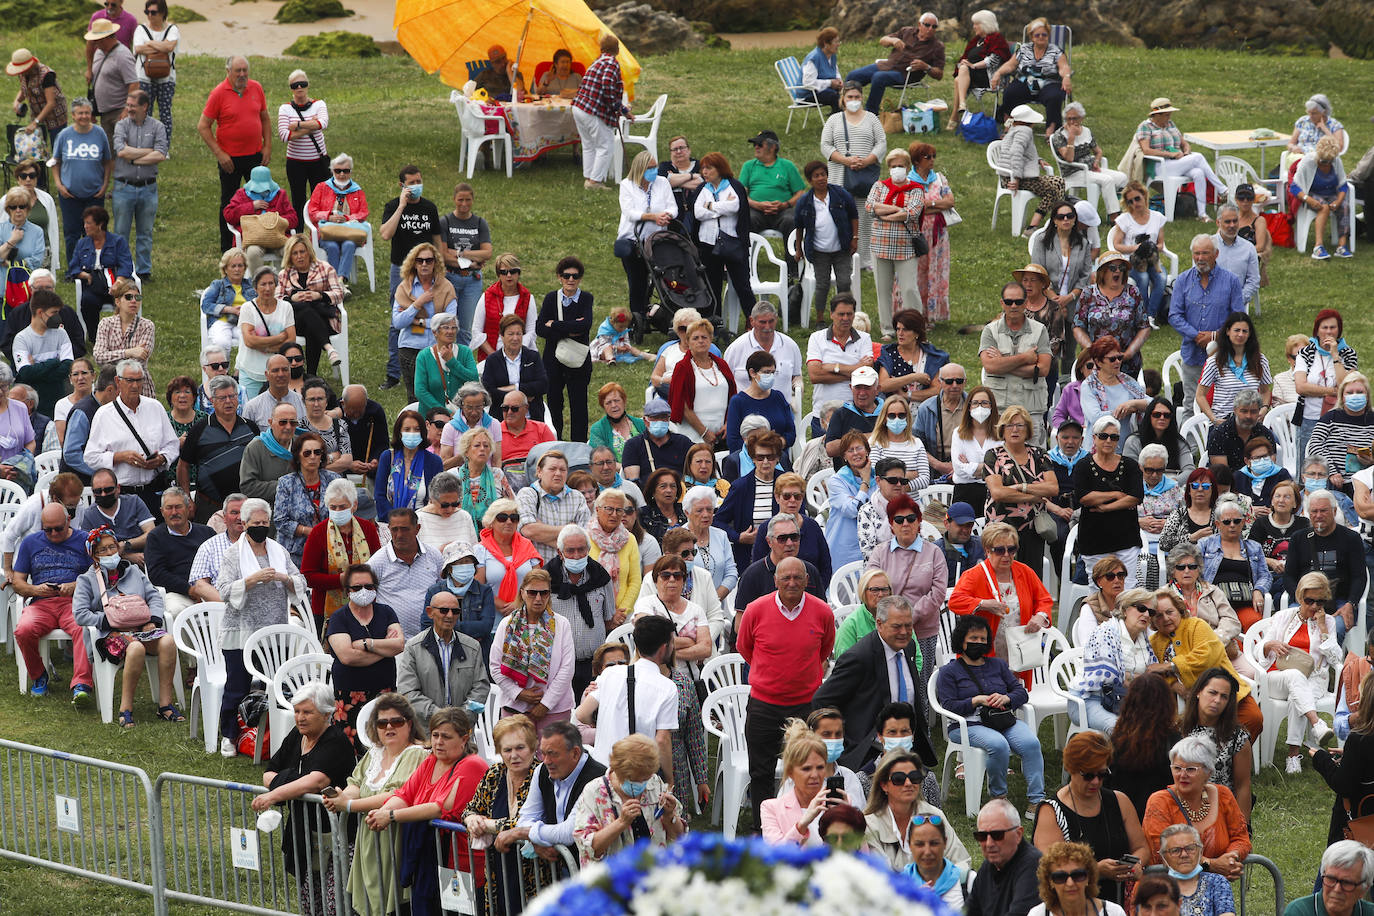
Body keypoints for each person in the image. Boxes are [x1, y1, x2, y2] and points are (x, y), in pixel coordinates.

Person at [737, 556, 834, 823]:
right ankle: (763, 829)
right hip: (764, 705)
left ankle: (809, 824)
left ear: (807, 580)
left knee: (809, 768)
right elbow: (745, 648)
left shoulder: (822, 612)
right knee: (761, 773)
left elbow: (824, 650)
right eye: (786, 578)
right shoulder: (755, 610)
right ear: (775, 580)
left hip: (806, 704)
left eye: (797, 577)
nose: (792, 582)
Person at [366, 707, 489, 914]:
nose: (439, 742)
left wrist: (390, 816)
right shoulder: (431, 760)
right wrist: (381, 813)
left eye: (446, 737)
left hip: (459, 864)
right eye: (435, 735)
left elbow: (440, 808)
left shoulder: (472, 765)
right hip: (429, 860)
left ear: (464, 738)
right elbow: (405, 794)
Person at [249, 679, 355, 916]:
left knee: (336, 902)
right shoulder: (297, 736)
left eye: (308, 712)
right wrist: (293, 781)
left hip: (336, 835)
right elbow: (268, 773)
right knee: (309, 899)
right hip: (304, 832)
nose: (300, 718)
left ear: (327, 713)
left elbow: (317, 781)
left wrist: (275, 794)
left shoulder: (335, 741)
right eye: (297, 711)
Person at [320, 694, 427, 916]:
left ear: (409, 723)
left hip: (397, 836)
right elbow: (356, 783)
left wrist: (348, 805)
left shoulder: (416, 754)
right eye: (381, 723)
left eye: (396, 722)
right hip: (368, 835)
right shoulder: (375, 753)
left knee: (395, 904)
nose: (389, 727)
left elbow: (396, 793)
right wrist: (341, 796)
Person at [215, 497, 306, 754]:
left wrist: (283, 577)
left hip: (274, 631)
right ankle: (229, 735)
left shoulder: (278, 550)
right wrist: (251, 579)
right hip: (241, 630)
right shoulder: (233, 554)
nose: (261, 526)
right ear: (244, 524)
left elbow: (299, 581)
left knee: (275, 685)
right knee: (237, 686)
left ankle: (273, 736)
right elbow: (222, 590)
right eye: (256, 523)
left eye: (265, 522)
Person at [814, 594, 939, 773]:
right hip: (869, 752)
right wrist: (841, 738)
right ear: (879, 624)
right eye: (897, 626)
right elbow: (822, 700)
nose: (904, 632)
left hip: (905, 744)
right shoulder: (859, 657)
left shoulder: (908, 646)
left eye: (908, 626)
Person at [937, 614, 1045, 816]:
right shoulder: (949, 672)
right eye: (973, 639)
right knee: (998, 745)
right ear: (962, 640)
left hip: (1001, 719)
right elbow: (949, 706)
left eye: (983, 639)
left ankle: (1036, 801)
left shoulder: (998, 665)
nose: (979, 643)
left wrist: (1006, 699)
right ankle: (998, 798)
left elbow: (1021, 692)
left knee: (1031, 743)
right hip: (966, 725)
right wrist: (976, 700)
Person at [72, 524, 178, 727]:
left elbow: (154, 596)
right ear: (94, 556)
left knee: (168, 642)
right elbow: (80, 614)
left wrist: (153, 621)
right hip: (109, 634)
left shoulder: (134, 572)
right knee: (135, 648)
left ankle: (165, 704)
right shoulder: (86, 580)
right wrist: (108, 621)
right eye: (102, 550)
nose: (109, 552)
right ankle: (125, 709)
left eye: (112, 547)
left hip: (141, 629)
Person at [1032, 732, 1148, 905]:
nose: (1095, 782)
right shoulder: (1051, 811)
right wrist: (1095, 870)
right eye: (1088, 775)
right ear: (1071, 769)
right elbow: (1051, 866)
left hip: (1121, 900)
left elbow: (1141, 847)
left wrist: (1135, 864)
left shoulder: (1119, 801)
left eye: (1102, 775)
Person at [462, 714, 548, 915]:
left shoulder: (543, 775)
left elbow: (527, 823)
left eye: (520, 748)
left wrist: (488, 825)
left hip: (534, 874)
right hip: (498, 872)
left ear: (534, 746)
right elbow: (470, 808)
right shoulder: (495, 773)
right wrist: (472, 819)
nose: (513, 755)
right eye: (507, 750)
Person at [1146, 592, 1261, 740]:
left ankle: (1227, 756)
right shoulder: (1154, 641)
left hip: (1223, 688)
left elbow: (1206, 656)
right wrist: (1174, 685)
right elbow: (1154, 671)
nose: (1166, 618)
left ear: (1180, 610)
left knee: (1253, 718)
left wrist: (1171, 666)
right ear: (1153, 621)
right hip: (1184, 701)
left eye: (1169, 612)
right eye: (1158, 616)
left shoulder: (1196, 625)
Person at [13, 502, 93, 703]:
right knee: (23, 630)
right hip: (41, 602)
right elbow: (18, 582)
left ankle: (81, 683)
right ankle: (39, 676)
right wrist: (36, 590)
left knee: (82, 626)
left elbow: (98, 575)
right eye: (48, 530)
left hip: (73, 601)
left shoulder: (84, 540)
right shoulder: (30, 542)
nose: (54, 534)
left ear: (68, 520)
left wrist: (75, 585)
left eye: (58, 528)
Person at [1141, 734, 1250, 879]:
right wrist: (1211, 864)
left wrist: (1231, 858)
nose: (1182, 775)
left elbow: (1241, 839)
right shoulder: (1159, 801)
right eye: (1177, 768)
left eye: (1191, 769)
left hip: (1211, 891)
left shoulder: (1223, 795)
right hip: (1166, 890)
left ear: (1208, 772)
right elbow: (1163, 852)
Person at [571, 733, 685, 865]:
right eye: (636, 780)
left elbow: (679, 837)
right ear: (618, 771)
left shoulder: (653, 782)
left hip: (654, 873)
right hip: (613, 879)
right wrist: (621, 823)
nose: (642, 785)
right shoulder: (594, 792)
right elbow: (588, 849)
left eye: (645, 779)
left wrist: (670, 815)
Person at [400, 562, 494, 717]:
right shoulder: (413, 647)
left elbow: (481, 688)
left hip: (461, 728)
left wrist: (461, 716)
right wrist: (437, 715)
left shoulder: (472, 647)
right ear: (430, 613)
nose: (450, 616)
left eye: (455, 611)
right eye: (444, 610)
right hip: (426, 729)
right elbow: (408, 691)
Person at [378, 166, 442, 389]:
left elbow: (437, 240)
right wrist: (402, 206)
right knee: (399, 320)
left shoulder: (429, 208)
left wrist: (440, 268)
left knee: (429, 315)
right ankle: (394, 373)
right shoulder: (393, 206)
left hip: (427, 269)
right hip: (401, 271)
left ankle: (428, 367)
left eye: (419, 181)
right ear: (402, 185)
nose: (416, 186)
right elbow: (385, 234)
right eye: (411, 182)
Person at [490, 569, 575, 729]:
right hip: (515, 707)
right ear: (522, 593)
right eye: (532, 593)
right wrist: (519, 694)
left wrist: (545, 704)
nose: (538, 598)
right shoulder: (507, 624)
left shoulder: (562, 624)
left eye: (543, 593)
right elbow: (495, 667)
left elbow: (567, 669)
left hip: (555, 709)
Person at [1286, 489, 1367, 640]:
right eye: (1314, 511)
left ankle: (1330, 663)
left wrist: (1351, 603)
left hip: (1339, 601)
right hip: (1304, 600)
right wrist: (1302, 600)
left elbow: (1359, 577)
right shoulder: (1298, 538)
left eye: (1323, 511)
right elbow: (1289, 576)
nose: (1318, 516)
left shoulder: (1351, 538)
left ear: (1335, 511)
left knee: (1336, 628)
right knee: (1290, 628)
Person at [819, 83, 883, 269]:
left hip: (865, 177)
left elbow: (881, 143)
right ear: (843, 99)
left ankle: (866, 259)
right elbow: (825, 146)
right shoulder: (834, 120)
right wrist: (846, 160)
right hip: (840, 176)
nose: (854, 101)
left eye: (857, 97)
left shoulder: (872, 119)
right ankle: (842, 259)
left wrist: (867, 160)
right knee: (841, 216)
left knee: (865, 217)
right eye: (850, 97)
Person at [1072, 590, 1156, 731]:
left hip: (1128, 699)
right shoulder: (1106, 633)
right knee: (1121, 729)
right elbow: (1110, 678)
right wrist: (1143, 679)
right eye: (1141, 608)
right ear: (1124, 610)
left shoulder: (1144, 638)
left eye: (1151, 612)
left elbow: (1152, 673)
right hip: (1091, 700)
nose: (1146, 614)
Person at [761, 719, 853, 846]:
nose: (815, 775)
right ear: (790, 773)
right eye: (806, 769)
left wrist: (850, 820)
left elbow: (862, 854)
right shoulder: (771, 808)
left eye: (820, 767)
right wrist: (803, 824)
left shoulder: (841, 801)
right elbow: (776, 856)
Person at [532, 257, 593, 442]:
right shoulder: (552, 298)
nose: (571, 279)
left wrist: (556, 325)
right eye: (566, 276)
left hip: (579, 361)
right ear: (560, 277)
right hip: (553, 360)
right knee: (554, 404)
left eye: (575, 276)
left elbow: (585, 326)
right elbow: (540, 328)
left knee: (579, 405)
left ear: (580, 278)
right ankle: (555, 442)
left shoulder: (586, 298)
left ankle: (579, 445)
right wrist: (570, 327)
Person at [866, 149, 924, 339]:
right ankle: (887, 329)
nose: (897, 169)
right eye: (893, 166)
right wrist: (897, 210)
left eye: (900, 166)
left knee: (909, 289)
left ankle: (914, 327)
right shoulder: (879, 186)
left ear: (907, 167)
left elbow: (912, 213)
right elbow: (870, 206)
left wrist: (884, 213)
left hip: (906, 247)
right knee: (883, 290)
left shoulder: (916, 189)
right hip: (880, 246)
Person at [794, 158, 858, 324]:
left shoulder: (841, 194)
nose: (821, 178)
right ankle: (821, 320)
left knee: (844, 281)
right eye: (816, 176)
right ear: (810, 180)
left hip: (842, 249)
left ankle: (846, 317)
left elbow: (854, 216)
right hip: (819, 251)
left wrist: (855, 238)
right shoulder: (804, 202)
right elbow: (799, 227)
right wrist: (798, 249)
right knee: (822, 285)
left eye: (823, 174)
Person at [615, 151, 676, 325]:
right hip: (633, 239)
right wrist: (652, 217)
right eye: (650, 168)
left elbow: (673, 207)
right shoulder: (627, 185)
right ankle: (637, 316)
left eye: (655, 167)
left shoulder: (662, 183)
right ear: (640, 169)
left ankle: (659, 312)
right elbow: (630, 212)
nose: (654, 171)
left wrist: (666, 216)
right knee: (637, 281)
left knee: (661, 278)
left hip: (656, 239)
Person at [1134, 98, 1226, 213]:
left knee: (1198, 173)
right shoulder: (1145, 126)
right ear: (1157, 115)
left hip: (1177, 163)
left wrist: (1186, 151)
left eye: (1170, 114)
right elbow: (1146, 150)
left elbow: (1184, 143)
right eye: (1167, 115)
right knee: (1198, 157)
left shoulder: (1170, 124)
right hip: (1159, 166)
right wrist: (1170, 154)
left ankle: (1202, 214)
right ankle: (1222, 189)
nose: (1169, 117)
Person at [109, 89, 164, 282]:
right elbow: (121, 151)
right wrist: (147, 152)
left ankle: (143, 271)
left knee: (145, 232)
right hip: (124, 187)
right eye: (128, 105)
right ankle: (122, 270)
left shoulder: (157, 126)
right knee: (121, 231)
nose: (129, 109)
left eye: (133, 106)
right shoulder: (121, 126)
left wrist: (134, 159)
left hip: (148, 188)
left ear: (144, 106)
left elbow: (161, 154)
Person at [392, 241, 456, 403]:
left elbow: (449, 323)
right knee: (415, 398)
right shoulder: (404, 288)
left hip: (438, 350)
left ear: (436, 263)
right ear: (414, 263)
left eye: (429, 260)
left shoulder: (446, 288)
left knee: (439, 397)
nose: (425, 264)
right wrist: (418, 303)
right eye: (420, 260)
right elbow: (398, 322)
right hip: (410, 349)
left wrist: (418, 322)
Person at [52, 99, 113, 268]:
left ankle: (95, 266)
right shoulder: (64, 135)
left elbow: (107, 161)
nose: (84, 116)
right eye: (80, 113)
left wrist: (105, 185)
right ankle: (73, 269)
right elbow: (55, 161)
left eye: (87, 113)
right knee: (71, 233)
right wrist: (59, 185)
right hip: (69, 195)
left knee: (96, 232)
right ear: (73, 115)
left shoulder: (99, 134)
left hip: (94, 194)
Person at [845, 11, 945, 115]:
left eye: (934, 27)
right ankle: (848, 108)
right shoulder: (906, 31)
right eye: (927, 25)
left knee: (879, 77)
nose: (930, 29)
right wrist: (893, 41)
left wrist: (926, 67)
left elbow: (939, 75)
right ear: (919, 24)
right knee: (853, 76)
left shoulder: (937, 46)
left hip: (905, 75)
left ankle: (871, 113)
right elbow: (883, 40)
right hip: (887, 65)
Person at [1294, 309, 1359, 465]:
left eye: (1332, 327)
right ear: (1317, 330)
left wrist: (1335, 355)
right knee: (1308, 466)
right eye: (1324, 327)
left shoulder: (1348, 354)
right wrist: (1331, 391)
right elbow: (1301, 387)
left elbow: (1346, 385)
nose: (1328, 332)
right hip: (1309, 418)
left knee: (1337, 464)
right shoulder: (1305, 353)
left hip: (1339, 419)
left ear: (1339, 330)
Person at [143, 486, 213, 621]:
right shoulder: (155, 537)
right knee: (177, 612)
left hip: (209, 588)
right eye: (169, 508)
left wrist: (205, 589)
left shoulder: (207, 532)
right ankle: (188, 643)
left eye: (178, 507)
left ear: (189, 509)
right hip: (178, 593)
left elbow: (218, 564)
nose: (174, 512)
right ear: (162, 512)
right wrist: (189, 590)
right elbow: (157, 574)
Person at [570, 34, 629, 190]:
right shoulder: (611, 63)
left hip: (578, 107)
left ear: (601, 49)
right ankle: (595, 182)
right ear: (617, 49)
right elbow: (608, 86)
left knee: (589, 144)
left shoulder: (596, 62)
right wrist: (621, 109)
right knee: (606, 145)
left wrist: (619, 109)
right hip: (591, 109)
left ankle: (589, 178)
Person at [967, 797, 1044, 916]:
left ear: (1018, 834)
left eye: (997, 835)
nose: (989, 844)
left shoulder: (1035, 867)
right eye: (982, 836)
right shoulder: (988, 866)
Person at [998, 105, 1065, 236]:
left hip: (1010, 177)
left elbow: (1024, 152)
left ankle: (1058, 219)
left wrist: (1038, 159)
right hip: (1016, 178)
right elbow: (1016, 153)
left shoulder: (1014, 130)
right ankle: (1033, 227)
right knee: (1052, 190)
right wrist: (1016, 179)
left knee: (1058, 181)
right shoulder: (1024, 131)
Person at [305, 153, 368, 288]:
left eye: (345, 171)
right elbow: (312, 212)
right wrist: (328, 216)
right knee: (332, 247)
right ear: (332, 171)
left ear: (350, 171)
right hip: (326, 233)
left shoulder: (357, 191)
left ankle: (339, 280)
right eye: (337, 171)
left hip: (350, 233)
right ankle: (335, 281)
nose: (341, 174)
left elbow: (363, 213)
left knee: (349, 245)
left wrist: (346, 218)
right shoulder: (321, 187)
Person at [275, 69, 327, 231]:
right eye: (295, 85)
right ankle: (298, 236)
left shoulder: (319, 104)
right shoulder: (285, 109)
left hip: (318, 162)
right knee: (298, 200)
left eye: (302, 84)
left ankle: (320, 234)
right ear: (291, 88)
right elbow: (284, 135)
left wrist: (297, 125)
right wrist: (311, 126)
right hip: (295, 163)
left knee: (320, 200)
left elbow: (323, 123)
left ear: (308, 85)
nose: (299, 88)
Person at [1196, 312, 1271, 425]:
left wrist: (1264, 409)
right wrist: (1214, 419)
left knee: (1272, 441)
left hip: (1251, 421)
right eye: (1237, 330)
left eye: (1244, 331)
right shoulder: (1214, 362)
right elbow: (1200, 395)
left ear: (1250, 334)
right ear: (1227, 331)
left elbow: (1265, 391)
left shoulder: (1260, 360)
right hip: (1224, 421)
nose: (1240, 334)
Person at [1309, 372, 1374, 494]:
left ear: (1367, 395)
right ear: (1342, 397)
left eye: (1360, 392)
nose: (1355, 396)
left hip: (1368, 481)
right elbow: (1315, 444)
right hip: (1335, 481)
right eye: (1350, 393)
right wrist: (1332, 471)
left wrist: (1372, 460)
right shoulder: (1330, 418)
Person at [806, 294, 874, 407]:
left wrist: (833, 367)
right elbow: (815, 376)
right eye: (841, 314)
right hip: (824, 411)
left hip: (857, 411)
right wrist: (855, 372)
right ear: (831, 314)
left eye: (849, 314)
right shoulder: (816, 338)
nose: (846, 318)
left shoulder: (864, 338)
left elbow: (867, 373)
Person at [1028, 841, 1129, 916]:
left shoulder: (1114, 913)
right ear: (1050, 882)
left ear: (1089, 877)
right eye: (1060, 877)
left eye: (1078, 875)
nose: (1070, 883)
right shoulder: (1037, 914)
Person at [374, 409, 443, 519]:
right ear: (399, 433)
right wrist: (394, 520)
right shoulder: (387, 457)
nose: (412, 433)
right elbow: (379, 495)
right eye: (407, 429)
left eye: (417, 429)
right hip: (389, 523)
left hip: (422, 522)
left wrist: (413, 521)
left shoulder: (434, 462)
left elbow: (436, 498)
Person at [1296, 136, 1353, 261]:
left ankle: (1342, 246)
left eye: (1329, 161)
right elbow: (1294, 187)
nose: (1326, 163)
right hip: (1311, 193)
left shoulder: (1336, 161)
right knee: (1324, 207)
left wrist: (1338, 201)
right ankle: (1318, 247)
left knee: (1344, 206)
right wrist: (1308, 199)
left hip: (1330, 194)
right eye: (1323, 161)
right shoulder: (1307, 161)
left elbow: (1343, 185)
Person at [948, 9, 1010, 122]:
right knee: (960, 73)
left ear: (985, 24)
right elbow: (964, 58)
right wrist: (963, 63)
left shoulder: (997, 39)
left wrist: (973, 65)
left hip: (990, 77)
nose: (974, 27)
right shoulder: (976, 41)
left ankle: (956, 114)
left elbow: (993, 60)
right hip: (970, 75)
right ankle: (960, 106)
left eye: (976, 24)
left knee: (959, 79)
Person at [903, 806, 968, 909]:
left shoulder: (967, 882)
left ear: (945, 842)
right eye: (919, 844)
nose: (927, 852)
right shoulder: (898, 887)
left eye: (934, 843)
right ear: (909, 845)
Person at [1287, 841, 1374, 916]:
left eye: (1347, 882)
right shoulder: (1300, 911)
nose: (1337, 889)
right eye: (1331, 879)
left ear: (1364, 889)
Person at [8, 47, 67, 148]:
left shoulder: (46, 75)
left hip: (55, 116)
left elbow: (51, 103)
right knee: (37, 148)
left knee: (57, 147)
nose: (20, 72)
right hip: (37, 114)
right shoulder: (23, 74)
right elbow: (24, 88)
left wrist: (36, 122)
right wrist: (17, 101)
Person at [0, 183, 46, 274]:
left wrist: (11, 264)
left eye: (22, 206)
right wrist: (12, 241)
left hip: (27, 281)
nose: (18, 210)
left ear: (28, 208)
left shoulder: (37, 231)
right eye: (13, 207)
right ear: (8, 209)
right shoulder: (1, 229)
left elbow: (37, 261)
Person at [801, 27, 843, 112]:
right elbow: (808, 82)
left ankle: (843, 117)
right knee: (834, 96)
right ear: (826, 44)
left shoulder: (831, 55)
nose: (838, 44)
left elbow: (835, 71)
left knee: (850, 90)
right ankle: (838, 121)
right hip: (809, 94)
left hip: (823, 90)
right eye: (836, 42)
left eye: (838, 41)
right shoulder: (814, 58)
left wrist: (839, 80)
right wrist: (830, 83)